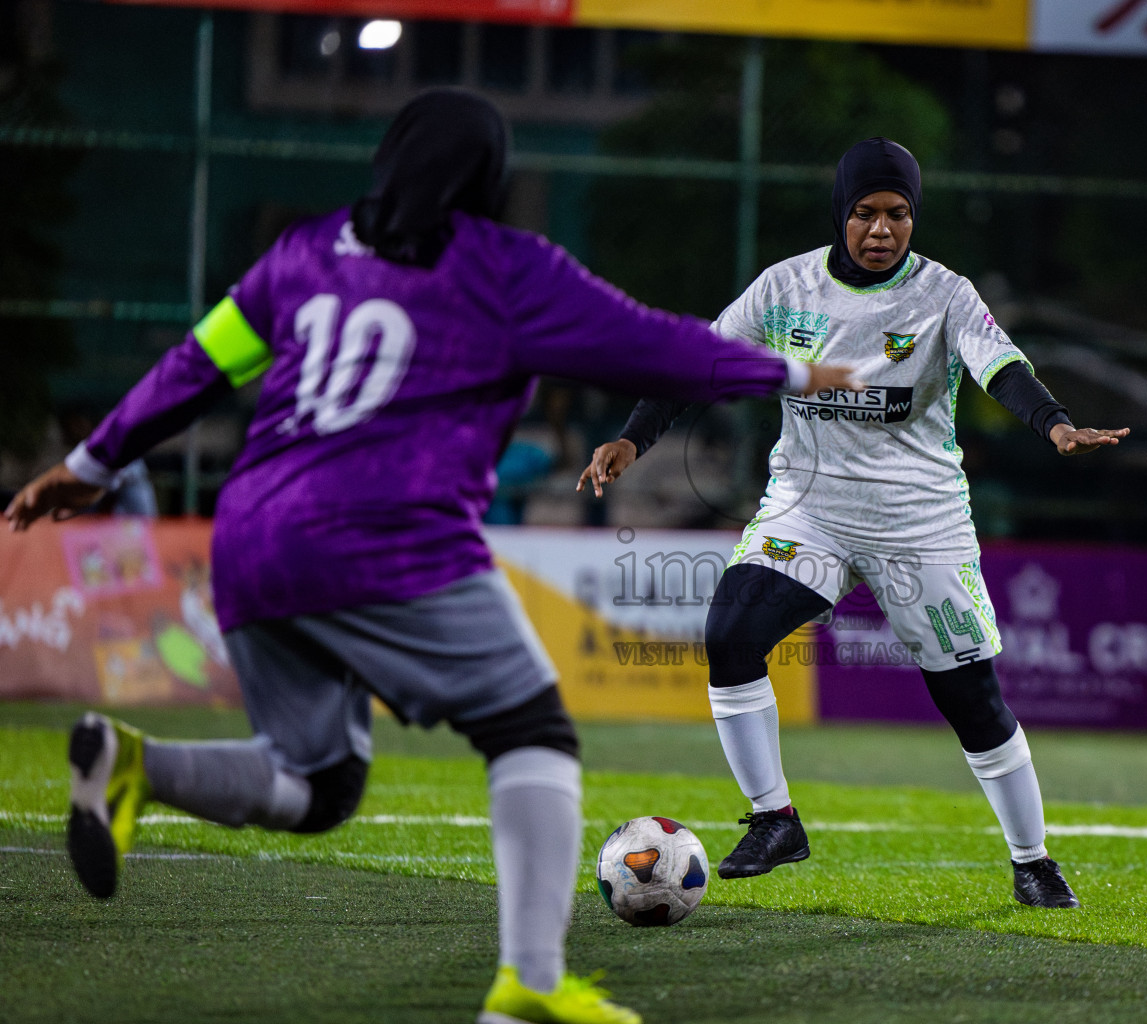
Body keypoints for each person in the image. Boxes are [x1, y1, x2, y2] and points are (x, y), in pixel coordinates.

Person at [4, 89, 857, 1024]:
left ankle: (131, 767)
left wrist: (91, 463)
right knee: (530, 730)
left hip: (251, 539)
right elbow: (658, 349)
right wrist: (794, 371)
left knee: (319, 783)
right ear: (487, 178)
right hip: (387, 533)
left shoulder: (303, 252)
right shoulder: (502, 267)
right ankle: (529, 984)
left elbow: (196, 366)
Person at [578, 137, 1128, 909]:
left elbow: (1000, 364)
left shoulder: (945, 294)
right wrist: (634, 435)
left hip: (919, 519)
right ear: (842, 214)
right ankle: (775, 820)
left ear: (914, 218)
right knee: (732, 635)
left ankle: (1032, 860)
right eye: (866, 213)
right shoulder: (786, 288)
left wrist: (1055, 423)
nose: (882, 229)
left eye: (898, 214)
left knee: (970, 697)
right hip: (812, 508)